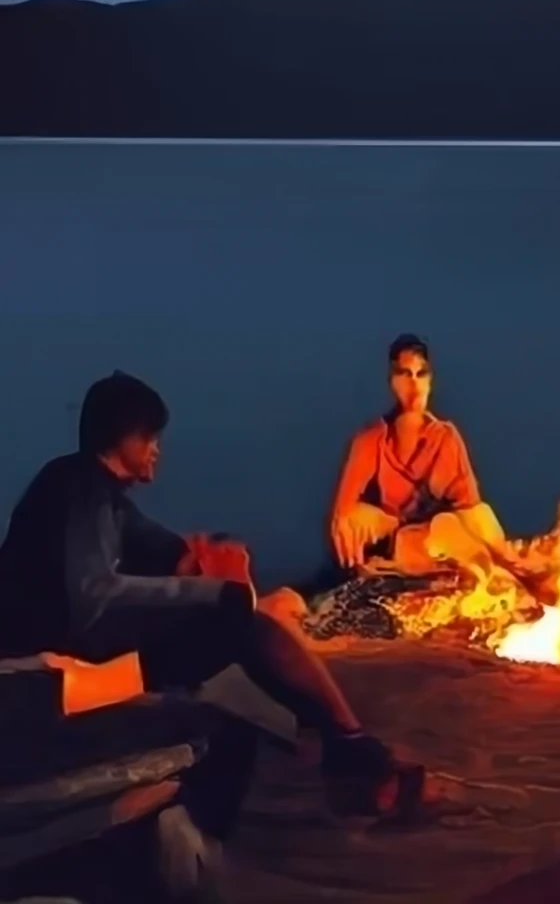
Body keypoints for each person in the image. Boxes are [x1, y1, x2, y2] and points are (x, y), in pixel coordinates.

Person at [0, 371, 424, 820]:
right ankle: (347, 750)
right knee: (234, 630)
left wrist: (209, 557)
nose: (156, 449)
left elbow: (167, 550)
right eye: (149, 437)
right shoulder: (78, 484)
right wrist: (215, 595)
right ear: (123, 436)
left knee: (242, 621)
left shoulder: (106, 498)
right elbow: (92, 598)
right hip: (36, 662)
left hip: (70, 646)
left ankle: (337, 744)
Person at [330, 334, 509, 576]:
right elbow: (343, 512)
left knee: (475, 518)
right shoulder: (371, 440)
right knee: (355, 517)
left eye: (420, 374)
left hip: (439, 539)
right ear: (392, 380)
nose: (414, 385)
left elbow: (470, 507)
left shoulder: (445, 437)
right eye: (405, 375)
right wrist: (353, 522)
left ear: (430, 381)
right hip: (394, 538)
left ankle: (510, 571)